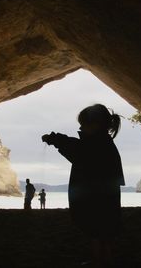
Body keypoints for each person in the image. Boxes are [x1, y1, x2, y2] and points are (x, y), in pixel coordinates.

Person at [42, 104, 125, 268]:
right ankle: (106, 259)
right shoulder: (103, 143)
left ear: (96, 124)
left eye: (84, 123)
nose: (80, 127)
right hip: (108, 194)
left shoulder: (96, 144)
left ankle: (98, 260)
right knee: (105, 229)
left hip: (96, 195)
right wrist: (57, 139)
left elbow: (76, 150)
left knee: (94, 228)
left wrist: (55, 139)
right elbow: (77, 148)